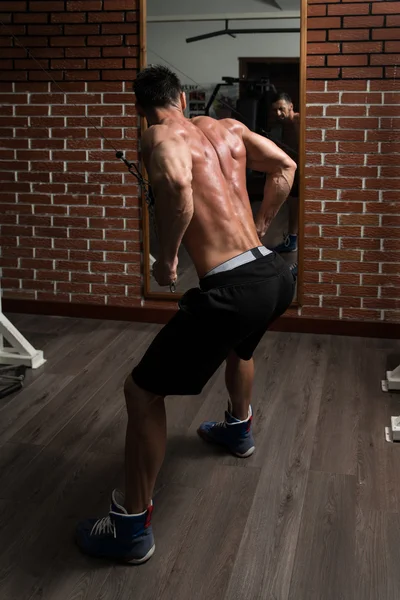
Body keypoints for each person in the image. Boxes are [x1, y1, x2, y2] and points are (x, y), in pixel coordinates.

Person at [76, 65, 297, 564]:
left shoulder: (157, 133)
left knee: (140, 391)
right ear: (180, 95)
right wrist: (262, 225)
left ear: (142, 109)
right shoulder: (227, 126)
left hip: (234, 288)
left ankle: (130, 529)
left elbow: (177, 184)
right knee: (240, 345)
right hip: (274, 275)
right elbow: (285, 165)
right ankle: (238, 429)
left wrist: (167, 256)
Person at [269, 92, 300, 254]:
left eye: (281, 109)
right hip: (295, 170)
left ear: (291, 107)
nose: (278, 113)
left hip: (309, 171)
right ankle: (292, 240)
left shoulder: (299, 121)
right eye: (275, 110)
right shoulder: (281, 127)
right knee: (292, 203)